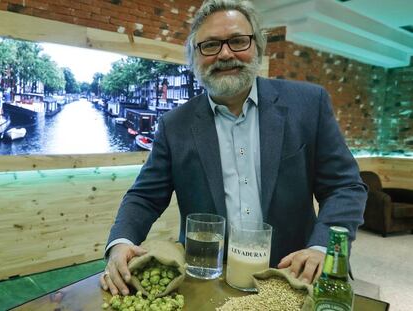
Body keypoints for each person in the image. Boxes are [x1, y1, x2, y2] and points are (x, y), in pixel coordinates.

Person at [100, 0, 367, 296]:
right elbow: (145, 197)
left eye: (238, 41)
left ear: (258, 47)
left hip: (294, 276)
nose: (225, 54)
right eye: (210, 45)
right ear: (194, 57)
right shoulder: (174, 125)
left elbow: (345, 187)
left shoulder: (308, 105)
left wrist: (322, 248)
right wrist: (120, 242)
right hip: (207, 279)